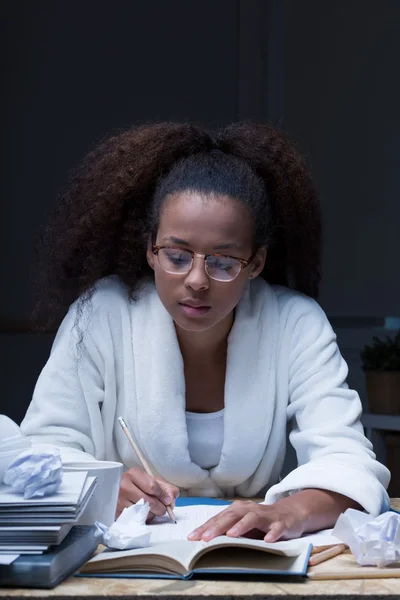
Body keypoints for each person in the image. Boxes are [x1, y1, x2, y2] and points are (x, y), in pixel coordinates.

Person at [21, 121, 390, 543]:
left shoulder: (295, 323)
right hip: (124, 557)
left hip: (250, 556)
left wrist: (288, 513)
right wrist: (101, 489)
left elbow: (350, 462)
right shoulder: (102, 314)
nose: (197, 280)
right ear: (150, 250)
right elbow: (39, 457)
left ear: (255, 262)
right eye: (177, 256)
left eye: (223, 262)